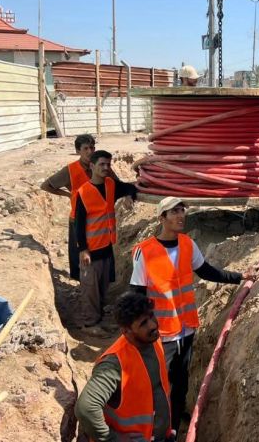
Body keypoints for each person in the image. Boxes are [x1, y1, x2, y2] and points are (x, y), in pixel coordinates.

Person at [130, 196, 258, 432]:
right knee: (158, 386)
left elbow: (207, 272)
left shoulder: (187, 244)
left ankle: (174, 426)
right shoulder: (144, 252)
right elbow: (136, 296)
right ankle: (155, 431)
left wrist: (241, 276)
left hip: (185, 329)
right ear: (161, 218)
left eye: (182, 210)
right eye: (174, 211)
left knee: (181, 384)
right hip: (160, 334)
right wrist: (140, 333)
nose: (181, 215)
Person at [75, 291, 175, 442]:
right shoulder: (114, 363)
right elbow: (86, 408)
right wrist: (114, 439)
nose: (153, 325)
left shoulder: (152, 340)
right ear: (126, 331)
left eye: (151, 316)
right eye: (143, 323)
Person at [74, 149, 138, 331]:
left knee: (102, 287)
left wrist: (129, 196)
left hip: (106, 247)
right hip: (90, 250)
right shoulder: (83, 192)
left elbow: (130, 187)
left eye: (108, 164)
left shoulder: (111, 185)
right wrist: (83, 249)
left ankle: (99, 318)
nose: (105, 167)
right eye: (101, 164)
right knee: (90, 289)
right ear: (92, 165)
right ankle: (90, 324)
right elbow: (78, 224)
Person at [41, 133, 99, 281]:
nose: (90, 151)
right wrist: (68, 195)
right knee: (78, 254)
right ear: (78, 151)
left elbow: (117, 183)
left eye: (92, 148)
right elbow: (46, 185)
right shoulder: (70, 170)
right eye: (85, 148)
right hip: (78, 220)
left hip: (99, 221)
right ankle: (80, 284)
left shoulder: (100, 166)